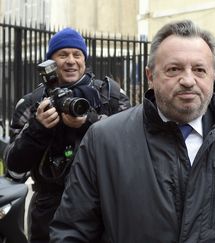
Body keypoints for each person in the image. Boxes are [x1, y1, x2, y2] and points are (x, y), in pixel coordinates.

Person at [50, 20, 215, 242]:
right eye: (174, 69)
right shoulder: (103, 140)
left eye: (200, 70)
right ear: (151, 76)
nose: (188, 80)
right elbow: (72, 231)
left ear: (214, 76)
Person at [3, 27, 131, 243]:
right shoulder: (31, 103)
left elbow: (131, 149)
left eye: (76, 54)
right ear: (51, 62)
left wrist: (88, 122)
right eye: (63, 55)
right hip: (49, 209)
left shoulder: (111, 97)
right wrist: (38, 129)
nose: (71, 61)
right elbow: (14, 168)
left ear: (84, 59)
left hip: (102, 206)